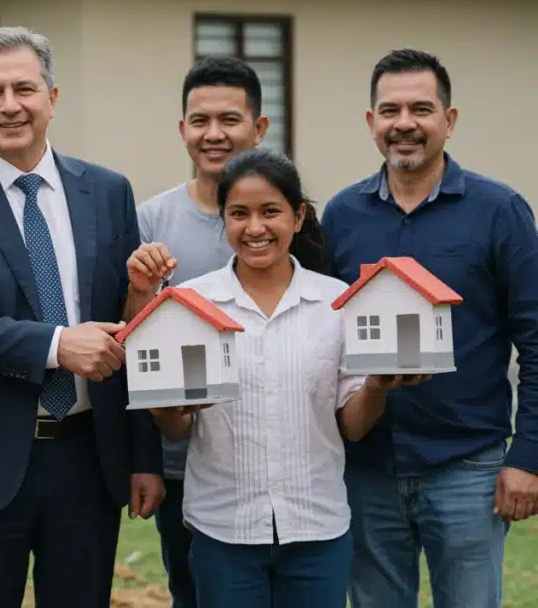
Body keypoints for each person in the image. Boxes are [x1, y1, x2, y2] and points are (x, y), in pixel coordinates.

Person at [0, 25, 164, 608]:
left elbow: (133, 329)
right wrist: (56, 346)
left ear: (52, 98)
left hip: (87, 457)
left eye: (24, 88)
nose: (10, 105)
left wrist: (142, 457)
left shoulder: (107, 191)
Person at [142, 149, 418, 607]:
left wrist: (376, 385)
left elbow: (352, 425)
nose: (254, 228)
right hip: (224, 529)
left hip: (317, 528)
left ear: (298, 216)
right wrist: (165, 410)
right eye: (239, 214)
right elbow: (178, 426)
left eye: (270, 211)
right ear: (223, 220)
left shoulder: (337, 304)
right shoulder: (191, 303)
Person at [322, 48, 538, 608]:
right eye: (389, 110)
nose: (405, 124)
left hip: (468, 468)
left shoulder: (500, 210)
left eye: (421, 108)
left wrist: (528, 458)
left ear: (449, 119)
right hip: (368, 471)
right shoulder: (343, 216)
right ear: (371, 122)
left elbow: (536, 341)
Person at [135, 56, 269, 608]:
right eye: (200, 121)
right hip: (184, 462)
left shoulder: (288, 216)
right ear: (183, 129)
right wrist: (145, 458)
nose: (214, 134)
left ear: (259, 128)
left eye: (230, 120)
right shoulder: (150, 221)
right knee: (192, 593)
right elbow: (133, 338)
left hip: (274, 455)